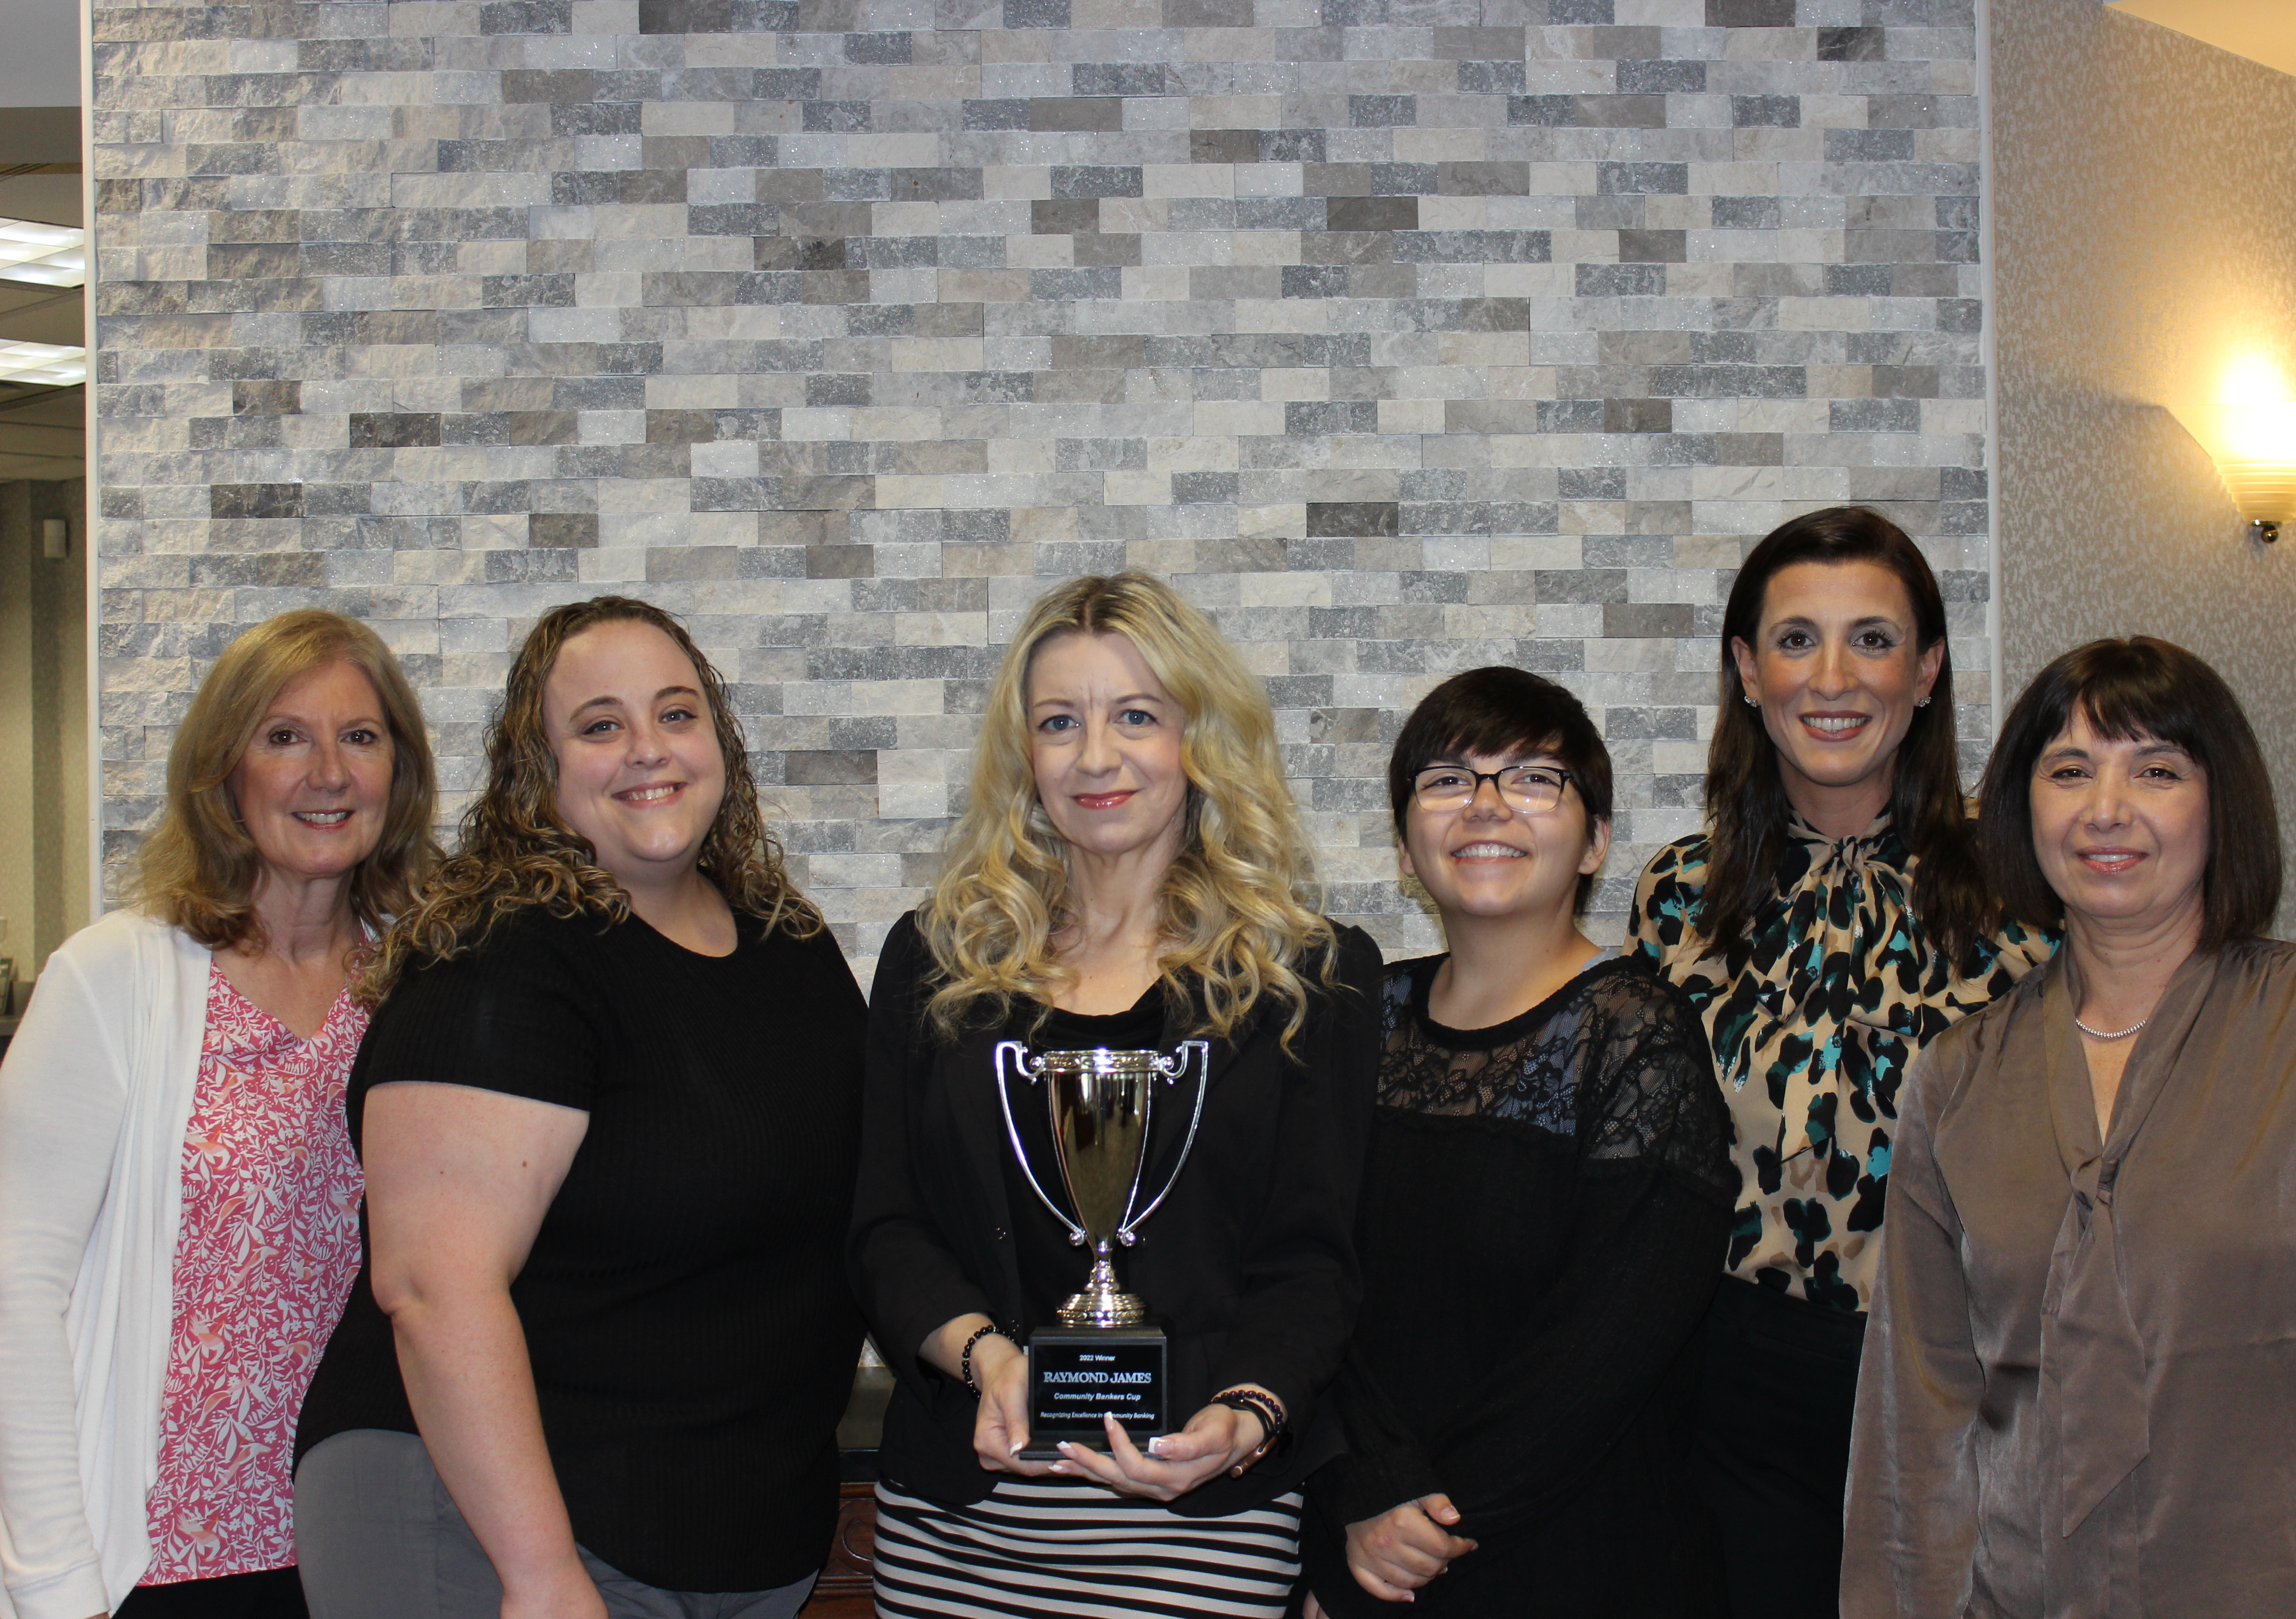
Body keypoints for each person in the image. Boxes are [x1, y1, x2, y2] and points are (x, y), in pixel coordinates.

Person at [1622, 505, 2296, 1617]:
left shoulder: (2026, 871)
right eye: (1797, 639)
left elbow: (2195, 1015)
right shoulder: (1679, 894)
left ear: (1928, 669)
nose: (1834, 676)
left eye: (1874, 638)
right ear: (1747, 671)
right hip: (1740, 1372)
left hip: (2017, 1351)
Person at [290, 596, 867, 1619]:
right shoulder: (504, 961)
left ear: (720, 741)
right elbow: (434, 1284)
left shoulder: (793, 952)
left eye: (677, 714)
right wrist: (538, 1571)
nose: (648, 750)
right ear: (539, 772)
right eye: (600, 726)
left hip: (732, 1540)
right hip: (490, 1530)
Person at [1844, 636, 2296, 1615]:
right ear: (2024, 808)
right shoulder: (1960, 1078)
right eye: (2069, 771)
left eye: (2156, 771)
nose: (2106, 810)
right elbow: (1918, 1411)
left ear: (2220, 805)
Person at [848, 571, 1384, 1619]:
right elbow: (884, 1226)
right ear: (1024, 757)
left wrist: (1247, 1413)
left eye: (1136, 715)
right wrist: (986, 1358)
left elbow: (1314, 1258)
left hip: (1198, 1512)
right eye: (1060, 722)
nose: (1096, 756)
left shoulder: (1312, 977)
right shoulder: (938, 958)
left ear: (1200, 737)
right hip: (968, 1514)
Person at [0, 611, 439, 1619]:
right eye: (284, 736)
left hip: (380, 1549)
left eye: (361, 737)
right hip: (166, 1567)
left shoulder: (427, 986)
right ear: (223, 773)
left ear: (399, 774)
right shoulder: (114, 980)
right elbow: (18, 1294)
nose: (327, 771)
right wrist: (56, 1585)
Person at [1298, 667, 1733, 1618]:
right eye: (1448, 780)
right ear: (1407, 844)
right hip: (1363, 1545)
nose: (1486, 805)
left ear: (1597, 843)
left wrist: (1418, 1526)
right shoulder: (1358, 1020)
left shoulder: (1638, 1034)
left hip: (1577, 1560)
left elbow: (1603, 1350)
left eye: (1535, 779)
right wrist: (1355, 1493)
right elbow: (1305, 1282)